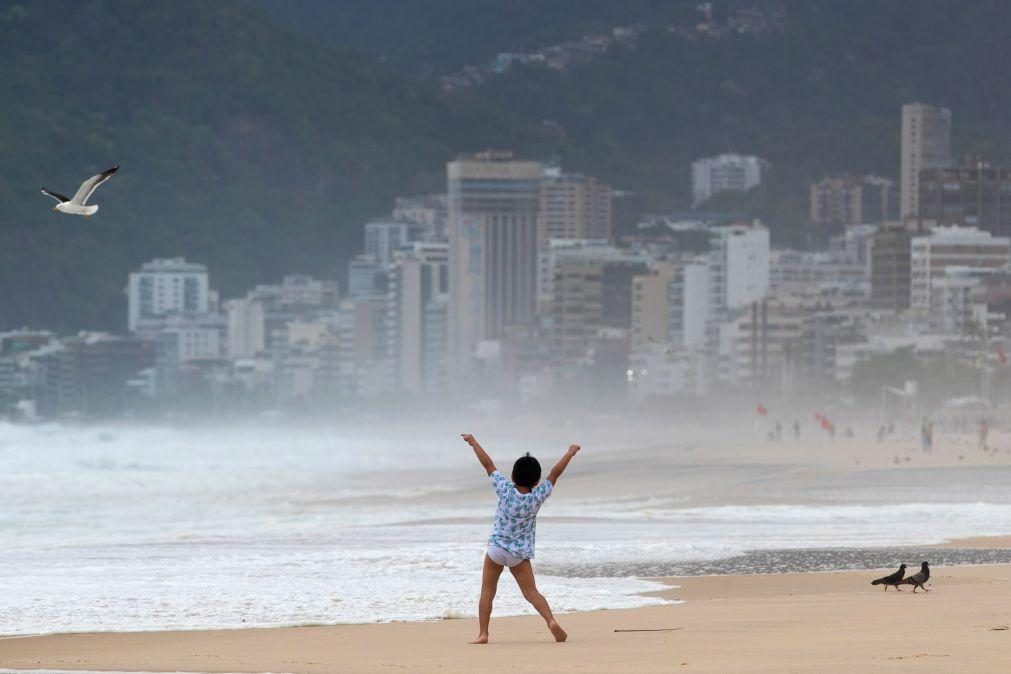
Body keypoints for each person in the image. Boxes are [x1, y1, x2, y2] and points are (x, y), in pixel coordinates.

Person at [462, 433, 580, 644]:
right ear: (536, 480)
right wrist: (570, 452)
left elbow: (487, 464)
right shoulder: (537, 496)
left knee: (487, 592)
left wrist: (473, 442)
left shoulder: (505, 490)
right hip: (518, 554)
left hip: (496, 549)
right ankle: (551, 621)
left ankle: (483, 634)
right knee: (531, 592)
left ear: (513, 476)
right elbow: (555, 474)